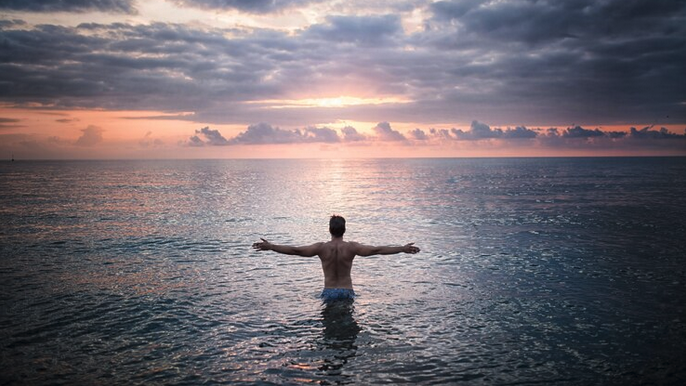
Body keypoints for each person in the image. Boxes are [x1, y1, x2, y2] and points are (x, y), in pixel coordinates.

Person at [252, 215, 420, 302]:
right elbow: (377, 250)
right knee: (347, 330)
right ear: (344, 229)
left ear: (329, 229)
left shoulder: (321, 248)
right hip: (347, 292)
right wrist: (402, 249)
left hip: (329, 292)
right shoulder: (352, 247)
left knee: (329, 329)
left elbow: (296, 250)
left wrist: (272, 246)